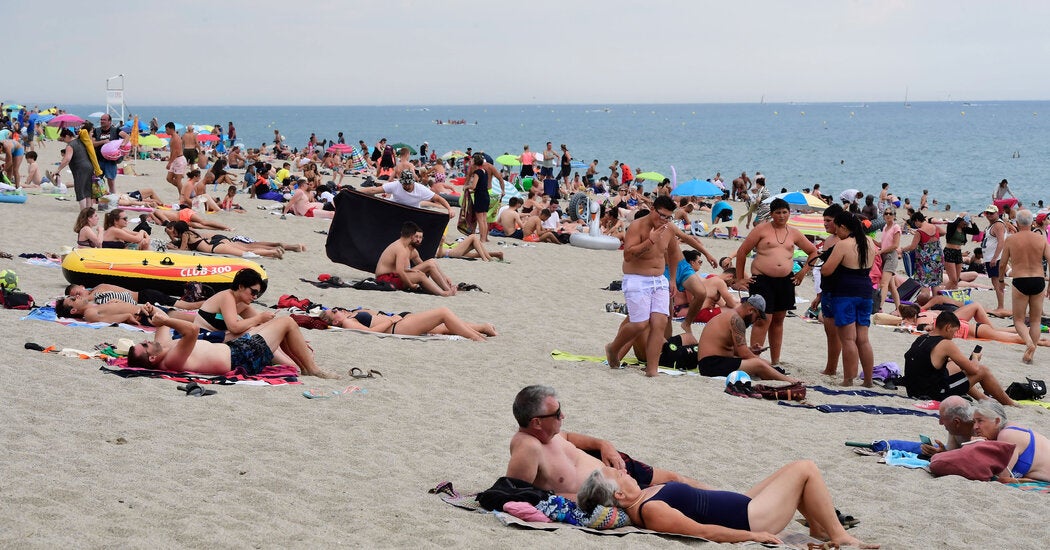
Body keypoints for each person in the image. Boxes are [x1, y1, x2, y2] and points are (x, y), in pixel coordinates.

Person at [577, 463, 878, 548]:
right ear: (618, 495)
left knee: (792, 475)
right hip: (749, 520)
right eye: (617, 474)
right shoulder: (650, 510)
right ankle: (840, 537)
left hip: (742, 504)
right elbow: (702, 531)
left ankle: (819, 529)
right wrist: (752, 536)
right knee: (805, 469)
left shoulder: (643, 493)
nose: (623, 471)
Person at [506, 385, 710, 498]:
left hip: (614, 465)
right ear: (537, 422)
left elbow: (568, 437)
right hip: (615, 490)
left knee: (675, 478)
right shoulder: (528, 447)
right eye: (557, 413)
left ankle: (736, 498)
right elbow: (516, 495)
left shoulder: (549, 435)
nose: (563, 416)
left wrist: (604, 445)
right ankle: (736, 504)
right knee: (677, 493)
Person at [128, 304, 338, 379]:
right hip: (242, 357)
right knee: (287, 323)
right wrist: (165, 319)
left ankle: (305, 366)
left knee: (272, 327)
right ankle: (313, 369)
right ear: (152, 357)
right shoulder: (171, 359)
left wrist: (154, 312)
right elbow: (192, 330)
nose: (147, 341)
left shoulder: (163, 349)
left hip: (236, 350)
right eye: (145, 345)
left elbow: (163, 326)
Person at [733, 198, 819, 366]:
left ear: (789, 213)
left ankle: (775, 360)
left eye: (784, 212)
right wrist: (740, 278)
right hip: (762, 279)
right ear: (771, 214)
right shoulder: (761, 230)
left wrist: (802, 272)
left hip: (785, 281)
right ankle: (754, 359)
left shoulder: (794, 233)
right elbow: (742, 252)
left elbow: (813, 251)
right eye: (778, 212)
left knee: (779, 319)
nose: (781, 216)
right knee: (762, 319)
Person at [604, 196, 680, 376]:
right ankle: (613, 349)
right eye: (662, 215)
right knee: (639, 324)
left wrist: (673, 279)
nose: (664, 220)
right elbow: (628, 256)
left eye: (668, 217)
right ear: (653, 209)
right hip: (637, 278)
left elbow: (675, 254)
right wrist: (650, 241)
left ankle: (652, 370)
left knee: (659, 322)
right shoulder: (637, 226)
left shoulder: (668, 229)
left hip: (659, 279)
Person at [902, 311, 1017, 406]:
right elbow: (974, 370)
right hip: (932, 394)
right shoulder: (946, 344)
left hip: (913, 389)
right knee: (983, 370)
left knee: (955, 366)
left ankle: (983, 398)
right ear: (948, 327)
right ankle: (1010, 403)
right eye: (955, 331)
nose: (955, 335)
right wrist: (975, 358)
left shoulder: (922, 338)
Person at [820, 212, 877, 387]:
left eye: (837, 228)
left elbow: (826, 271)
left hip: (846, 293)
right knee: (863, 339)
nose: (836, 232)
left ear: (843, 227)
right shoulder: (869, 241)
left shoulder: (843, 245)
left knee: (848, 339)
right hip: (866, 291)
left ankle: (848, 379)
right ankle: (868, 380)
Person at [696, 297, 800, 382]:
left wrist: (750, 350)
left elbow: (729, 348)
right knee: (759, 364)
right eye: (757, 317)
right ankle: (789, 380)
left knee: (764, 364)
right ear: (751, 310)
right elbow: (744, 354)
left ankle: (775, 376)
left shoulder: (731, 315)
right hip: (711, 364)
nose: (754, 321)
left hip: (710, 362)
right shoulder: (736, 320)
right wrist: (761, 361)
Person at [998, 209, 1050, 364]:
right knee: (1035, 320)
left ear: (1017, 223)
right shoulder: (1041, 239)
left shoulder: (1011, 240)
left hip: (1020, 280)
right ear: (1032, 222)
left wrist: (1001, 280)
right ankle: (1030, 354)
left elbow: (1002, 264)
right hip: (1038, 280)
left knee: (1019, 320)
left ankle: (1028, 344)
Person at [971, 400, 1050, 482]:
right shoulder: (1010, 428)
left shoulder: (1007, 435)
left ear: (997, 421)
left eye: (980, 421)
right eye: (974, 422)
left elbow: (1002, 476)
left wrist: (979, 448)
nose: (975, 427)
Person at [318, 306, 495, 341]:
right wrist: (390, 319)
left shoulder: (349, 316)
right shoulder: (348, 324)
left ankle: (482, 328)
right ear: (334, 321)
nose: (336, 309)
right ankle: (477, 337)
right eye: (333, 311)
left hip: (400, 321)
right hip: (397, 327)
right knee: (443, 313)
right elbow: (370, 333)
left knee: (443, 327)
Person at [374, 221, 456, 296]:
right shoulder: (401, 248)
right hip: (385, 279)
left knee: (430, 262)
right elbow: (400, 271)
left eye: (420, 237)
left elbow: (423, 266)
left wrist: (445, 277)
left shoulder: (401, 246)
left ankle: (447, 289)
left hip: (391, 276)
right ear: (412, 236)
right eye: (416, 236)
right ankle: (443, 293)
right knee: (420, 275)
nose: (418, 239)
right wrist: (411, 285)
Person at [165, 221, 292, 259]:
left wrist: (172, 248)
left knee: (245, 254)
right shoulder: (190, 232)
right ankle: (274, 251)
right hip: (216, 244)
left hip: (215, 248)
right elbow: (186, 248)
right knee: (245, 249)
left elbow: (182, 251)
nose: (175, 233)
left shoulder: (186, 235)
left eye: (175, 231)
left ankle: (273, 252)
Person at [358, 169, 454, 216]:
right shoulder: (396, 185)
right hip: (394, 208)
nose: (406, 186)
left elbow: (438, 198)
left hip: (412, 211)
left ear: (413, 182)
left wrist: (449, 209)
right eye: (404, 184)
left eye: (408, 184)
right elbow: (373, 190)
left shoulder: (420, 189)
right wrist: (355, 191)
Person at [65, 282, 203, 311]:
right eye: (74, 297)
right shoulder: (96, 294)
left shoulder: (98, 290)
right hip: (145, 296)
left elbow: (87, 301)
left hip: (146, 297)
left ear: (83, 287)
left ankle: (214, 302)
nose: (78, 297)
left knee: (189, 307)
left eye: (77, 293)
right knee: (186, 305)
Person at [901, 211, 944, 299]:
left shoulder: (920, 232)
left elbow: (912, 246)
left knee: (925, 284)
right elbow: (944, 232)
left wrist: (902, 249)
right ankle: (935, 303)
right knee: (935, 283)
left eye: (915, 223)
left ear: (917, 220)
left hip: (925, 262)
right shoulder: (935, 227)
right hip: (938, 259)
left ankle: (925, 303)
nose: (915, 225)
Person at [464, 153, 506, 242]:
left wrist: (467, 186)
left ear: (475, 161)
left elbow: (474, 185)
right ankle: (483, 238)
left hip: (481, 195)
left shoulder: (479, 171)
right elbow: (479, 183)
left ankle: (482, 238)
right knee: (484, 219)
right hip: (485, 194)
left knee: (480, 219)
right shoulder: (485, 171)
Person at [980, 204, 1010, 317]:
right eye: (987, 213)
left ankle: (1001, 306)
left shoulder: (998, 225)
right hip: (991, 257)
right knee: (995, 281)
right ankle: (1000, 305)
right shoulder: (991, 225)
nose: (989, 215)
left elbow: (1001, 242)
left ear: (997, 213)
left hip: (995, 258)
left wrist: (994, 258)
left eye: (991, 213)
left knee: (997, 281)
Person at [54, 128, 95, 209]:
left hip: (80, 169)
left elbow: (67, 159)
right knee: (88, 190)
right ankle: (89, 210)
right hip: (89, 167)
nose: (64, 141)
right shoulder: (81, 141)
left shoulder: (70, 145)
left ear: (67, 136)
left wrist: (58, 170)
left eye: (64, 139)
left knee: (80, 190)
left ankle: (83, 211)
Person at [91, 114, 126, 193]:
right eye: (101, 119)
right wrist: (103, 142)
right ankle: (97, 198)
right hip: (99, 160)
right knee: (96, 180)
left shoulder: (116, 130)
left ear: (109, 121)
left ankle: (112, 197)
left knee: (111, 181)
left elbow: (127, 137)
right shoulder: (96, 131)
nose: (102, 121)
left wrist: (122, 145)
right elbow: (92, 143)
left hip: (111, 161)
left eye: (104, 120)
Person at [943, 213, 979, 289]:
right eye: (964, 223)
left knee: (957, 280)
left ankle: (954, 295)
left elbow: (976, 232)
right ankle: (943, 294)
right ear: (960, 221)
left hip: (958, 253)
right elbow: (954, 223)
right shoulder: (951, 226)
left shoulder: (964, 229)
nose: (965, 225)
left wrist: (972, 221)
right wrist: (961, 216)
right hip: (949, 252)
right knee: (953, 279)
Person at [877, 208, 902, 314]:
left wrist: (881, 251)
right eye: (886, 213)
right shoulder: (885, 227)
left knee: (884, 284)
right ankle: (899, 309)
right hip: (884, 256)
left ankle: (879, 307)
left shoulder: (896, 227)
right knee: (892, 287)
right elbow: (883, 244)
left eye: (890, 213)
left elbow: (895, 245)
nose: (888, 215)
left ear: (894, 215)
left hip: (891, 257)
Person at [438, 234, 503, 261]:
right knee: (473, 236)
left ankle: (494, 255)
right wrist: (441, 244)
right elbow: (439, 255)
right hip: (450, 252)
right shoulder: (429, 248)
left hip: (451, 250)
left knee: (475, 245)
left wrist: (445, 243)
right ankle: (486, 258)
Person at [164, 122, 187, 190]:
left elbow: (176, 152)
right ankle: (183, 190)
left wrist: (170, 163)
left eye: (167, 130)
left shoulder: (176, 138)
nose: (166, 131)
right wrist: (170, 160)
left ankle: (182, 195)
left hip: (179, 159)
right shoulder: (173, 137)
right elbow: (172, 151)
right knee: (169, 178)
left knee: (178, 180)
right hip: (175, 159)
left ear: (172, 129)